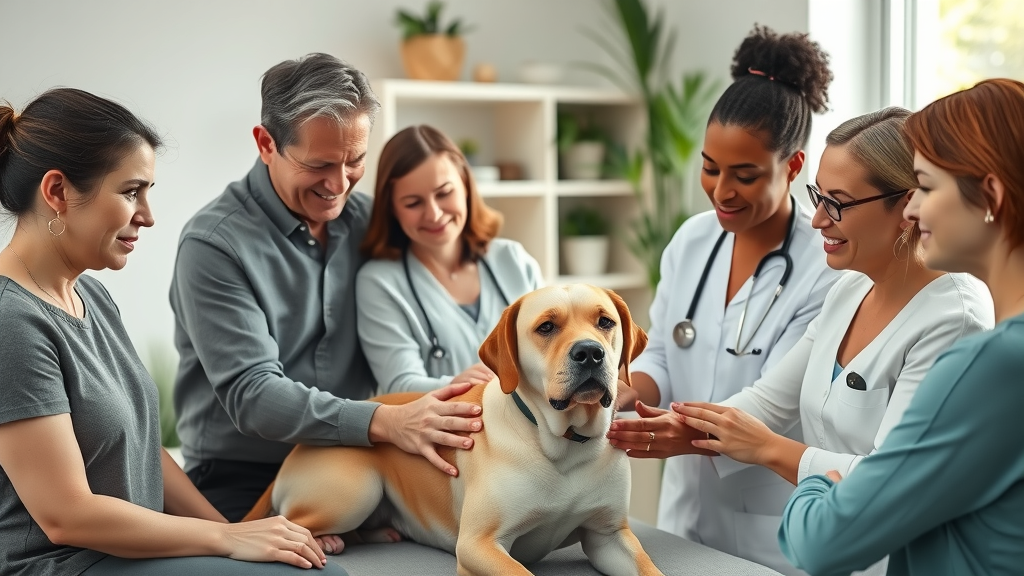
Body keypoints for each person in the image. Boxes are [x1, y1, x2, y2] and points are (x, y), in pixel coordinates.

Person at [616, 108, 993, 576]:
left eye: (837, 203)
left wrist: (769, 449)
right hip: (827, 545)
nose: (817, 220)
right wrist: (682, 428)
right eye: (818, 196)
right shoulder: (850, 290)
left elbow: (894, 481)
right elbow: (768, 400)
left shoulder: (954, 318)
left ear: (907, 205)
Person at [0, 89, 341, 575]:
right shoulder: (11, 321)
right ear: (57, 192)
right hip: (66, 563)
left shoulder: (91, 296)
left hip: (133, 551)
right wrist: (226, 539)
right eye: (130, 192)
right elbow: (65, 515)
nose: (148, 215)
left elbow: (143, 448)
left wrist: (243, 534)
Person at [170, 54, 482, 524]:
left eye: (355, 161)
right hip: (243, 475)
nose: (339, 185)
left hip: (357, 461)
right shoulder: (214, 245)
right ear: (266, 144)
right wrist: (384, 421)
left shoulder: (369, 221)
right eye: (319, 165)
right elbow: (253, 395)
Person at [607, 26, 841, 575]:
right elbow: (662, 353)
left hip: (768, 517)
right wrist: (623, 391)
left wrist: (683, 432)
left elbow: (780, 400)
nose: (721, 190)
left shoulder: (825, 266)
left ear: (793, 166)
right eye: (710, 167)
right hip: (683, 509)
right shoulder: (692, 239)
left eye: (745, 175)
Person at [778, 78, 1024, 576]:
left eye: (927, 187)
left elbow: (824, 541)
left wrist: (819, 484)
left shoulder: (993, 362)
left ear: (990, 197)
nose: (911, 209)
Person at [356, 125, 543, 394]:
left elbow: (553, 352)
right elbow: (400, 385)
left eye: (444, 193)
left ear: (465, 185)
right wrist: (457, 384)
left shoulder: (513, 260)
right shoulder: (379, 282)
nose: (434, 214)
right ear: (392, 209)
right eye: (413, 203)